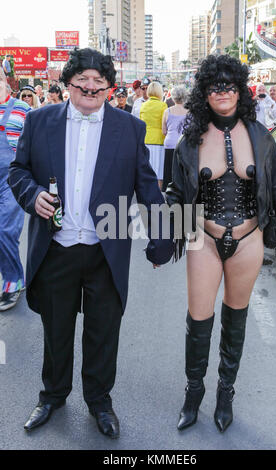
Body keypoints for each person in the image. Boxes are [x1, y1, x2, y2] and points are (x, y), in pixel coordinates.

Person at [8, 47, 173, 438]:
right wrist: (33, 196)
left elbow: (148, 186)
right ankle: (52, 396)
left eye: (99, 81)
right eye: (82, 79)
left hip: (106, 249)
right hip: (56, 247)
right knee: (56, 329)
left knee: (103, 332)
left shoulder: (129, 128)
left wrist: (163, 237)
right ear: (68, 83)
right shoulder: (38, 121)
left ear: (110, 88)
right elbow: (18, 171)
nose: (90, 86)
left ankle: (100, 401)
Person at [165, 55, 276, 434]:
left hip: (249, 240)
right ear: (204, 93)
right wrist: (164, 228)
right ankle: (194, 394)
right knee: (199, 320)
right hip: (203, 240)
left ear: (240, 90)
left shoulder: (260, 135)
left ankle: (226, 395)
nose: (221, 92)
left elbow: (275, 190)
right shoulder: (190, 139)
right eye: (214, 86)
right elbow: (176, 191)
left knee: (235, 320)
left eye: (229, 85)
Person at [0, 69, 30, 311]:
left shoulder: (22, 108)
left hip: (12, 179)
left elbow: (37, 141)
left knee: (5, 230)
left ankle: (13, 281)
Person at [140, 81, 167, 190]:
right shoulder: (163, 105)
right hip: (159, 140)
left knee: (148, 171)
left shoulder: (143, 105)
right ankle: (158, 196)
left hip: (146, 139)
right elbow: (165, 123)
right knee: (159, 172)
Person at [162, 85, 187, 191]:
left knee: (168, 170)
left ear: (173, 97)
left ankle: (168, 191)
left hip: (170, 143)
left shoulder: (167, 111)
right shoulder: (189, 111)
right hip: (184, 144)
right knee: (183, 171)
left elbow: (164, 131)